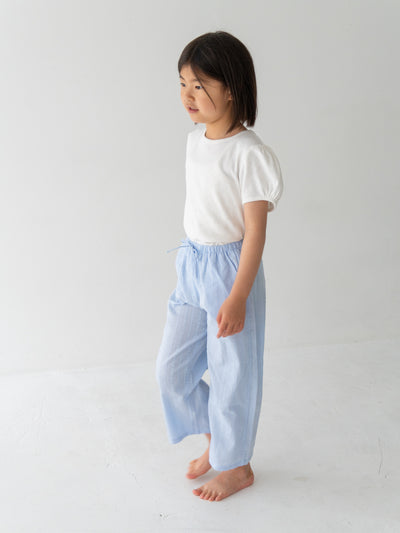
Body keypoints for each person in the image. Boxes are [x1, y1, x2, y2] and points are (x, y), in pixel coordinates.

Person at [155, 31, 284, 502]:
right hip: (192, 263)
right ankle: (218, 439)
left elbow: (255, 234)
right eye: (183, 83)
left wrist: (238, 295)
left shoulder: (250, 153)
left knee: (233, 374)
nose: (187, 95)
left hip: (232, 270)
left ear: (231, 88)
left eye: (199, 85)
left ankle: (237, 466)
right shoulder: (195, 141)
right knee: (172, 371)